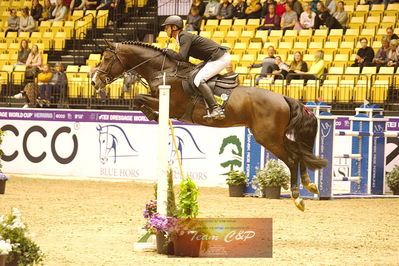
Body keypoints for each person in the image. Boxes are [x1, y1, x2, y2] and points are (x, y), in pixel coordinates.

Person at [162, 16, 230, 120]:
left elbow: (181, 57)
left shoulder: (184, 36)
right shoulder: (181, 37)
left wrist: (168, 51)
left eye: (166, 28)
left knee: (198, 80)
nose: (165, 30)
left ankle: (217, 109)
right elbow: (185, 60)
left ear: (174, 27)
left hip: (220, 58)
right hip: (213, 58)